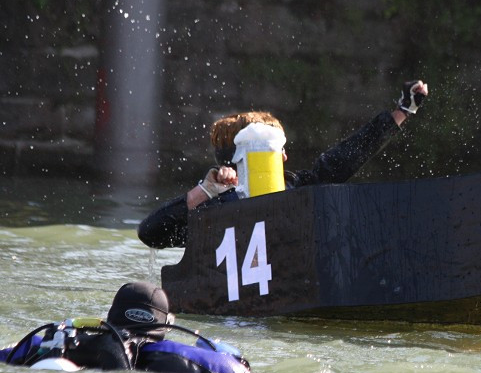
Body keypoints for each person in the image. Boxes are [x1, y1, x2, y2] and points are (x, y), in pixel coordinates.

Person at [138, 79, 429, 249]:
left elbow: (347, 156)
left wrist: (403, 111)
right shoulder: (212, 210)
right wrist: (204, 191)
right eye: (276, 150)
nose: (286, 157)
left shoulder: (298, 188)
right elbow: (151, 234)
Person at [0, 281, 251, 373]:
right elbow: (239, 371)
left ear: (110, 316)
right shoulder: (178, 353)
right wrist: (222, 349)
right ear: (164, 324)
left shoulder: (54, 343)